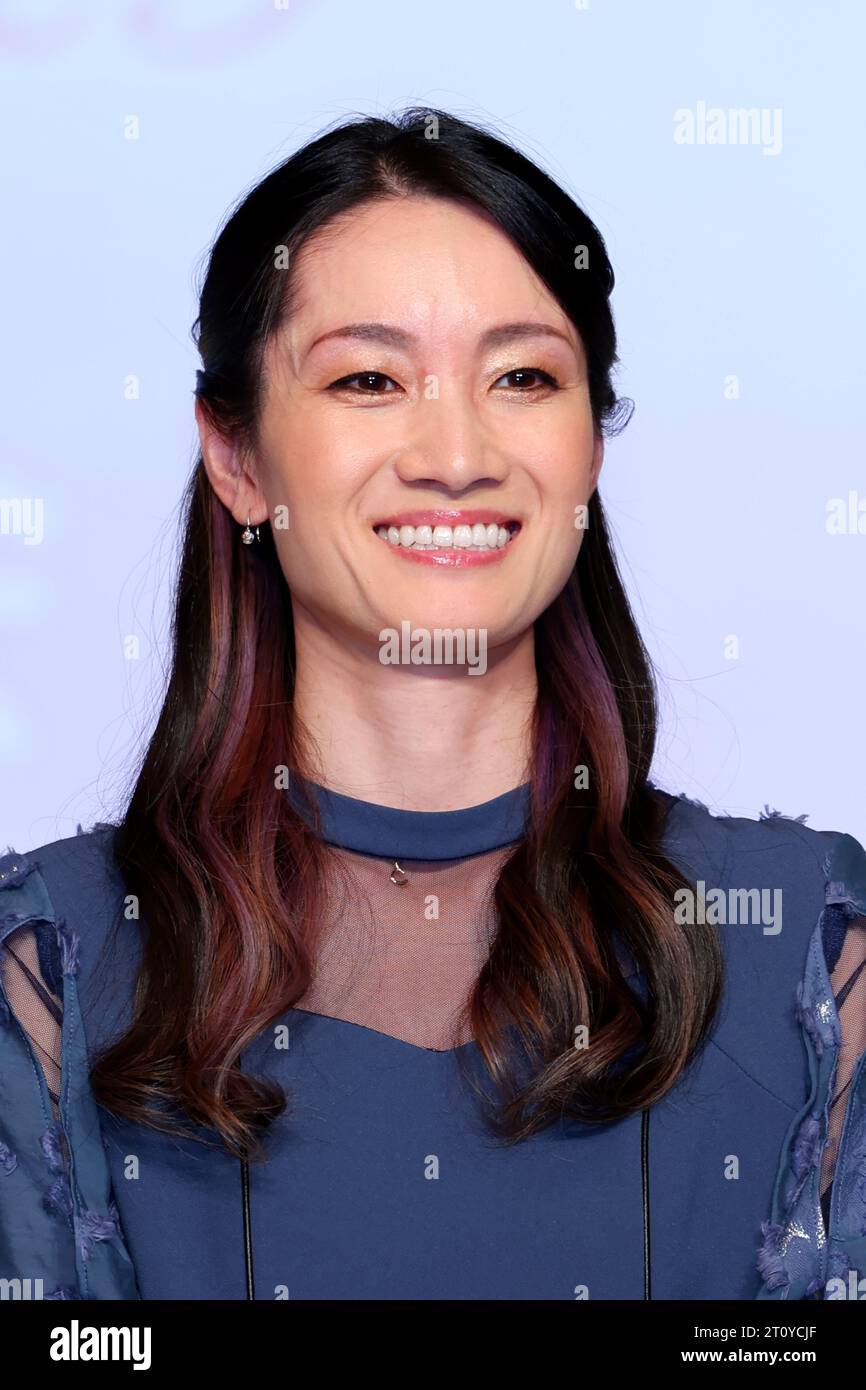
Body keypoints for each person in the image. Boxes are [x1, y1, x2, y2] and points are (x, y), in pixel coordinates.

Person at [1, 106, 864, 1302]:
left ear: (590, 448)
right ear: (236, 455)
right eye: (368, 378)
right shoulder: (48, 969)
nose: (454, 452)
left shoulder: (807, 956)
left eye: (522, 376)